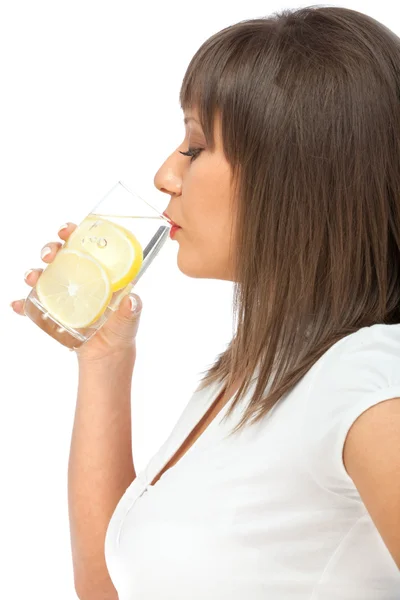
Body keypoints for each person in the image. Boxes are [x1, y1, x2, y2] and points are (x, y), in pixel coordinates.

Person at [10, 5, 400, 599]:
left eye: (194, 146)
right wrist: (105, 361)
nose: (166, 173)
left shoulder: (369, 379)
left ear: (290, 172)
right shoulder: (251, 376)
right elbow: (111, 591)